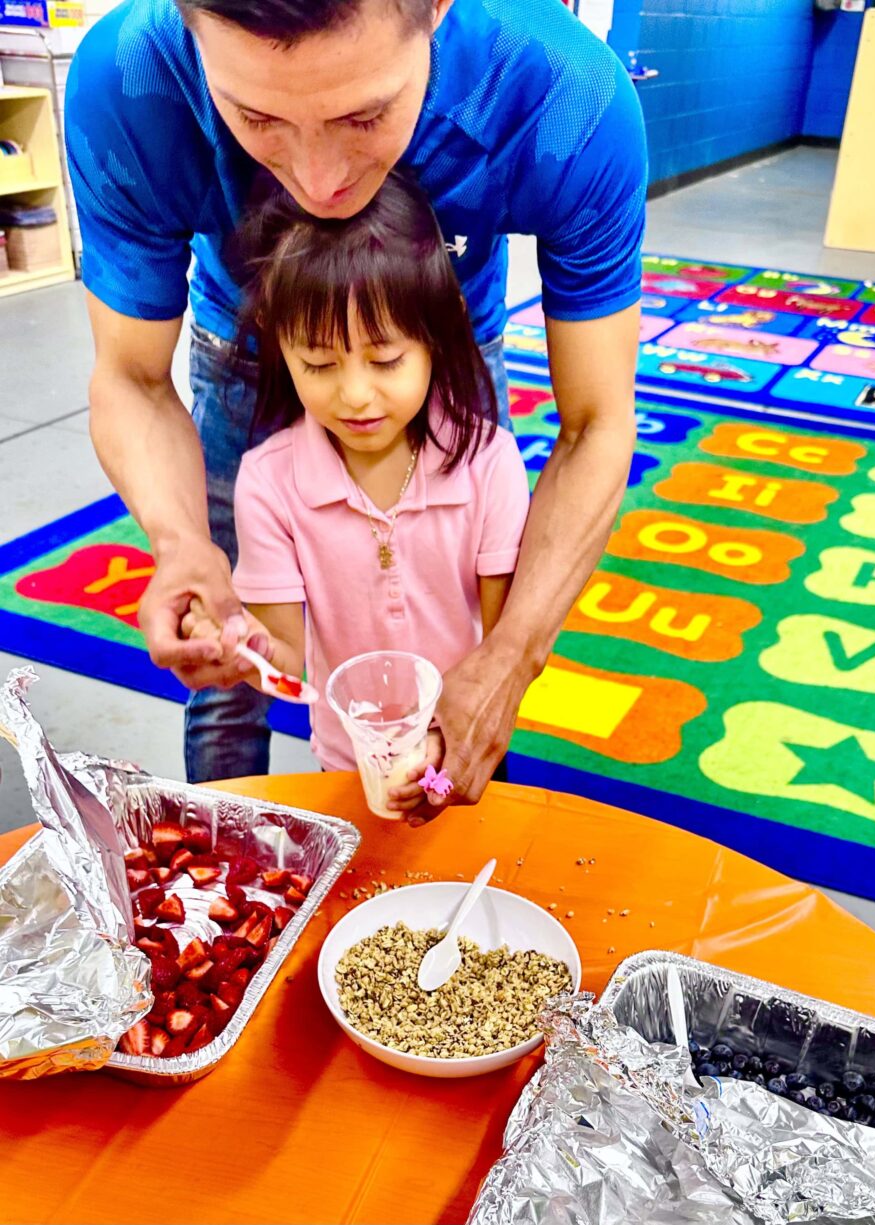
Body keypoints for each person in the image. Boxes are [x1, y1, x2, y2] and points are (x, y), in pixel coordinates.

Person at [65, 0, 645, 813]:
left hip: (442, 350)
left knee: (475, 654)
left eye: (364, 115)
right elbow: (132, 377)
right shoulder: (128, 81)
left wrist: (511, 655)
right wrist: (179, 540)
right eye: (256, 116)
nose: (318, 182)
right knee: (230, 662)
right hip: (243, 349)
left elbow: (597, 422)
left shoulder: (563, 95)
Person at [182, 172, 529, 817]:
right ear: (277, 345)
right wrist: (235, 644)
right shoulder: (269, 481)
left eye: (386, 359)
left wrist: (441, 747)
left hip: (463, 744)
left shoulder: (489, 463)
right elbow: (283, 653)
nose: (356, 395)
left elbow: (505, 640)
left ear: (436, 335)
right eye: (318, 364)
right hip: (346, 762)